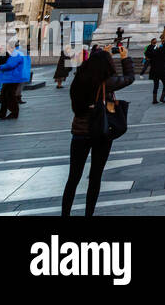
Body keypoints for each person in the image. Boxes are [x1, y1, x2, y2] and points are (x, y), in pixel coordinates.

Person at [61, 44, 135, 216]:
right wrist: (124, 58)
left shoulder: (79, 79)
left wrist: (101, 54)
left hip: (79, 133)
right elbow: (129, 78)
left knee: (73, 177)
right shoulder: (106, 83)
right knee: (95, 177)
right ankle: (89, 214)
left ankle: (65, 214)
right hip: (100, 132)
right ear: (106, 66)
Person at [0, 43, 31, 119]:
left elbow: (10, 65)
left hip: (14, 77)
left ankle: (14, 113)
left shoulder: (16, 53)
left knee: (9, 95)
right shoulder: (18, 53)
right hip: (12, 77)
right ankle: (2, 112)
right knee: (4, 94)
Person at [150, 39, 165, 103]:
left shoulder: (158, 49)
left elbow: (152, 55)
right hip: (163, 70)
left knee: (155, 85)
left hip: (155, 70)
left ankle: (154, 100)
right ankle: (162, 98)